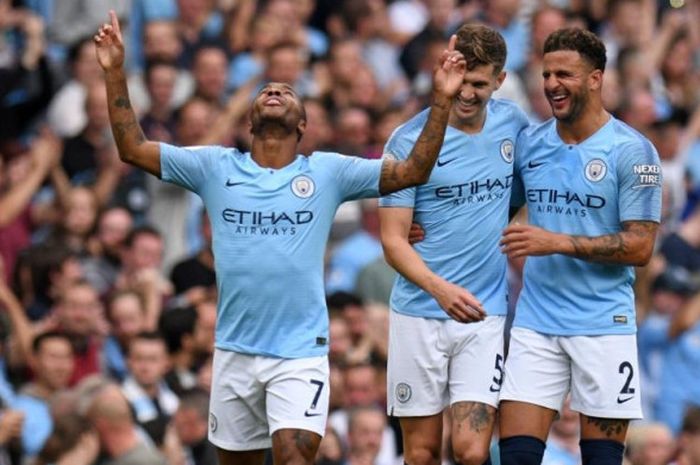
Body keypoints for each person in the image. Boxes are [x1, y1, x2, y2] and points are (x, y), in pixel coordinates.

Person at [93, 10, 466, 465]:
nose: (274, 90)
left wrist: (442, 100)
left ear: (303, 125)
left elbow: (412, 171)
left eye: (287, 91)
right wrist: (114, 72)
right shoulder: (215, 166)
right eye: (266, 90)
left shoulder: (329, 171)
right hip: (234, 350)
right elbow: (132, 148)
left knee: (294, 455)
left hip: (299, 353)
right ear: (249, 120)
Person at [498, 28, 663, 465]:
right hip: (536, 321)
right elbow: (496, 212)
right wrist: (426, 228)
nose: (551, 83)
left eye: (564, 74)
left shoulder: (633, 151)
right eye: (547, 74)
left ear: (595, 78)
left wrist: (556, 241)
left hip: (604, 324)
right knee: (513, 457)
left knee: (602, 460)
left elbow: (640, 246)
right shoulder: (531, 144)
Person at [379, 23, 529, 465]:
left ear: (499, 81)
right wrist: (441, 289)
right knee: (422, 453)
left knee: (470, 449)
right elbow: (392, 240)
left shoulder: (513, 125)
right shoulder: (408, 141)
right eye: (461, 81)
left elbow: (520, 193)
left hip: (483, 313)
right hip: (419, 313)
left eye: (480, 84)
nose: (468, 93)